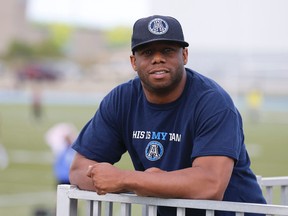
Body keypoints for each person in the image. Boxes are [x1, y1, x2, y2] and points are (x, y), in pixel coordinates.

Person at [69, 15, 266, 216]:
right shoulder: (121, 99)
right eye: (147, 52)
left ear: (185, 55)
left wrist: (128, 179)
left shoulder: (213, 102)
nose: (157, 58)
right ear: (133, 62)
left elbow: (210, 185)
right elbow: (78, 169)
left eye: (168, 51)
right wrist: (146, 183)